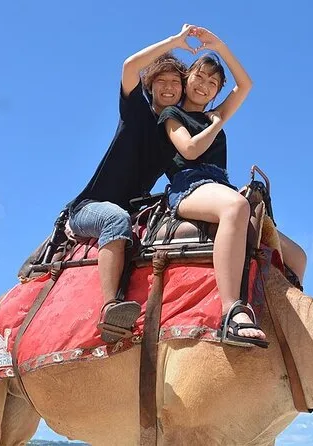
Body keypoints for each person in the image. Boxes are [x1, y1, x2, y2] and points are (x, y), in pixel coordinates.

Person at [158, 26, 306, 348]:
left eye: (213, 83)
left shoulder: (215, 114)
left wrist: (219, 46)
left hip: (219, 184)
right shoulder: (172, 114)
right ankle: (231, 310)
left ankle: (285, 320)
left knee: (297, 256)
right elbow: (190, 151)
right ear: (187, 78)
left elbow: (246, 85)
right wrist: (218, 122)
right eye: (199, 77)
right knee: (236, 206)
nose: (204, 85)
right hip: (188, 184)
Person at [66, 25, 198, 343]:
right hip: (89, 208)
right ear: (150, 86)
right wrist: (175, 42)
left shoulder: (173, 135)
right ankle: (110, 306)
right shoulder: (136, 112)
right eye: (162, 81)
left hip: (133, 209)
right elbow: (129, 67)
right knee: (115, 218)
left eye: (175, 83)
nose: (169, 87)